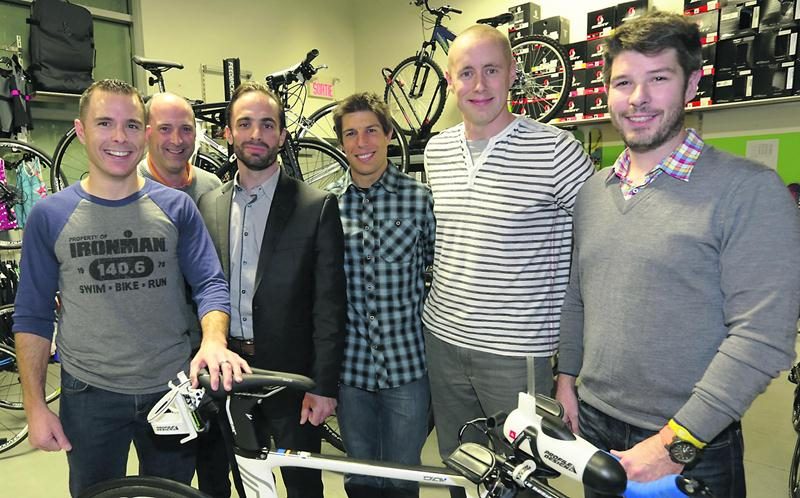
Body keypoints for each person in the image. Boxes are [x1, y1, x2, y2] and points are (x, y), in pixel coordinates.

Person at [555, 11, 800, 498]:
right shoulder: (591, 193)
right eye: (623, 82)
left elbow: (763, 337)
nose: (638, 98)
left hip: (693, 444)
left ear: (691, 85)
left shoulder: (748, 192)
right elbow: (578, 295)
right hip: (596, 427)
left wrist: (675, 442)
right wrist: (567, 379)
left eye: (658, 79)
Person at [12, 79, 249, 498]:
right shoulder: (50, 216)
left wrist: (213, 340)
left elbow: (210, 282)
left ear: (144, 133)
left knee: (170, 493)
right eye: (105, 123)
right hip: (89, 394)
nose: (120, 137)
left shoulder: (178, 208)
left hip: (171, 389)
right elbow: (32, 315)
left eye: (132, 125)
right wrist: (35, 405)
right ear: (81, 130)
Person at [422, 24, 594, 498]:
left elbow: (599, 247)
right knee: (462, 465)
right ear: (449, 79)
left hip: (516, 351)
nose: (479, 86)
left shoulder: (556, 151)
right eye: (467, 73)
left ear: (513, 74)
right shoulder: (436, 152)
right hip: (443, 340)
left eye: (492, 70)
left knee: (519, 477)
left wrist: (571, 369)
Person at [197, 81, 346, 498]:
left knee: (301, 486)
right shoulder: (209, 205)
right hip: (228, 375)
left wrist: (322, 387)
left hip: (290, 379)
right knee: (237, 480)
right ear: (228, 133)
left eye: (267, 124)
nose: (256, 134)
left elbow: (330, 307)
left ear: (282, 135)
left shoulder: (315, 206)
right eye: (244, 124)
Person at [326, 92, 435, 498]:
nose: (362, 142)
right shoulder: (328, 207)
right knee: (361, 478)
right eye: (351, 134)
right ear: (341, 143)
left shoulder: (419, 200)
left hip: (407, 366)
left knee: (403, 476)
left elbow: (434, 269)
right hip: (351, 371)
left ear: (388, 134)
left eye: (371, 130)